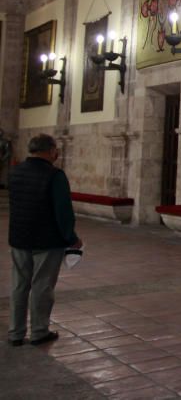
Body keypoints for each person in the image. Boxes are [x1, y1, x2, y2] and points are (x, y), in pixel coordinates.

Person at [7, 134, 82, 346]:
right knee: (42, 286)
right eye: (55, 150)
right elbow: (63, 211)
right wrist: (71, 238)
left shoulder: (16, 172)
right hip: (47, 241)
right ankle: (39, 331)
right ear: (50, 151)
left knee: (19, 285)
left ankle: (15, 332)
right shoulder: (54, 175)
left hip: (20, 237)